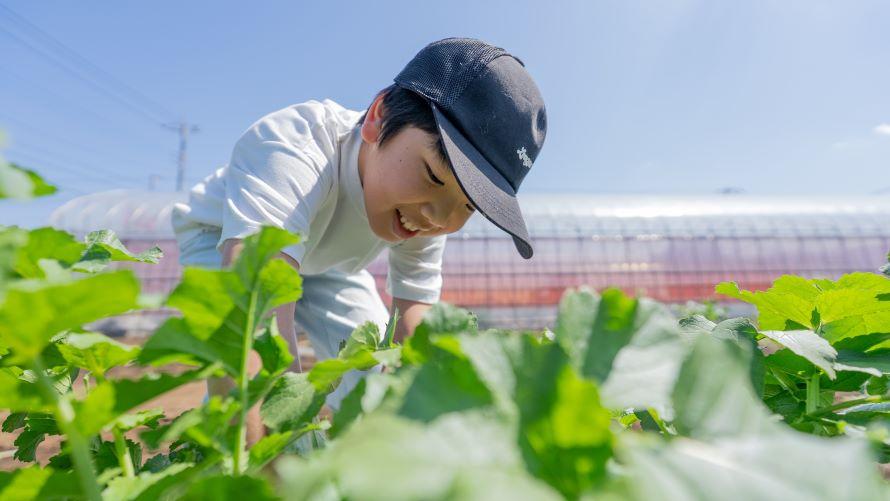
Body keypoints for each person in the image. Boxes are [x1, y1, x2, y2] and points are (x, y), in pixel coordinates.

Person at [171, 37, 547, 441]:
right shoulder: (295, 148)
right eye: (434, 176)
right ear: (378, 118)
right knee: (242, 393)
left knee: (372, 379)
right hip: (228, 242)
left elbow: (412, 322)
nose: (439, 218)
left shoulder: (424, 212)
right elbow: (252, 313)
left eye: (469, 206)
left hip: (326, 266)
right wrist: (271, 457)